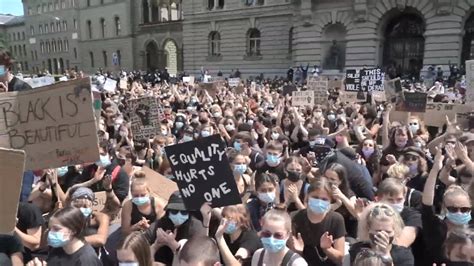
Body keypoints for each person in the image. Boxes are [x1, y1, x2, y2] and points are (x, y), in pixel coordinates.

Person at [422, 147, 473, 265]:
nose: (459, 212)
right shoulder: (436, 228)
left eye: (465, 209)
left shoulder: (471, 226)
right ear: (444, 208)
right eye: (453, 209)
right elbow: (427, 203)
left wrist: (465, 159)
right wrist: (435, 169)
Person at [290, 177, 346, 265]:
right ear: (307, 196)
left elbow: (340, 259)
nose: (319, 202)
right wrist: (298, 251)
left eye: (324, 199)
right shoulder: (295, 217)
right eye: (315, 197)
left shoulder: (336, 219)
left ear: (330, 200)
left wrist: (327, 249)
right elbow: (289, 255)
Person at [144, 192, 206, 265]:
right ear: (168, 212)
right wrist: (156, 244)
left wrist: (175, 246)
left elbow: (198, 258)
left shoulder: (196, 227)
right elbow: (141, 249)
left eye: (183, 212)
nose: (178, 215)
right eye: (174, 211)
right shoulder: (159, 226)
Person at [349, 203, 414, 265]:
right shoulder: (358, 250)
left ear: (395, 230)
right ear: (368, 229)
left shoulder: (403, 254)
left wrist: (386, 255)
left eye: (388, 232)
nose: (382, 235)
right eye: (378, 231)